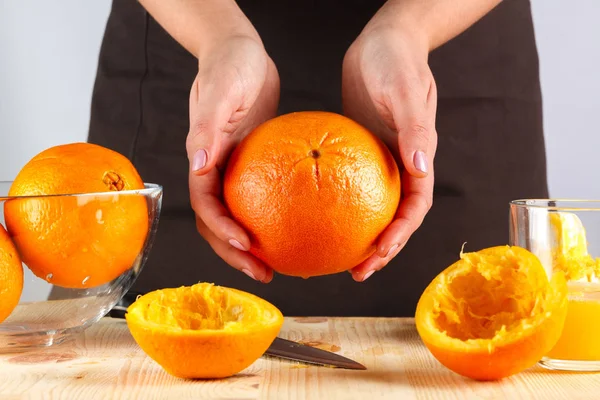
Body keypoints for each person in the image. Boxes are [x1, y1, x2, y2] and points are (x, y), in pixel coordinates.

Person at [87, 0, 548, 316]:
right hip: (194, 40)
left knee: (487, 315)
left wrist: (408, 28)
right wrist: (220, 37)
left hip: (441, 42)